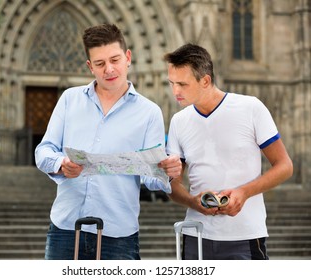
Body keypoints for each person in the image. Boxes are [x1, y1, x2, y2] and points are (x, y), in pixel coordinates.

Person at [35, 23, 181, 260]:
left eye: (115, 60)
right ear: (90, 66)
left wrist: (167, 171)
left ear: (128, 58)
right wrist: (60, 163)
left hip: (118, 237)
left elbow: (151, 177)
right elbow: (43, 151)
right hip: (65, 230)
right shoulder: (69, 100)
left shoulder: (149, 112)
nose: (109, 69)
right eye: (100, 64)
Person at [164, 43, 293, 260]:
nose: (175, 91)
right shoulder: (178, 121)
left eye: (182, 84)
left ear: (205, 80)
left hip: (245, 237)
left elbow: (285, 166)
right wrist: (191, 201)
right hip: (195, 235)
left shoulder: (251, 108)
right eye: (172, 83)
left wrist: (243, 192)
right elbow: (172, 184)